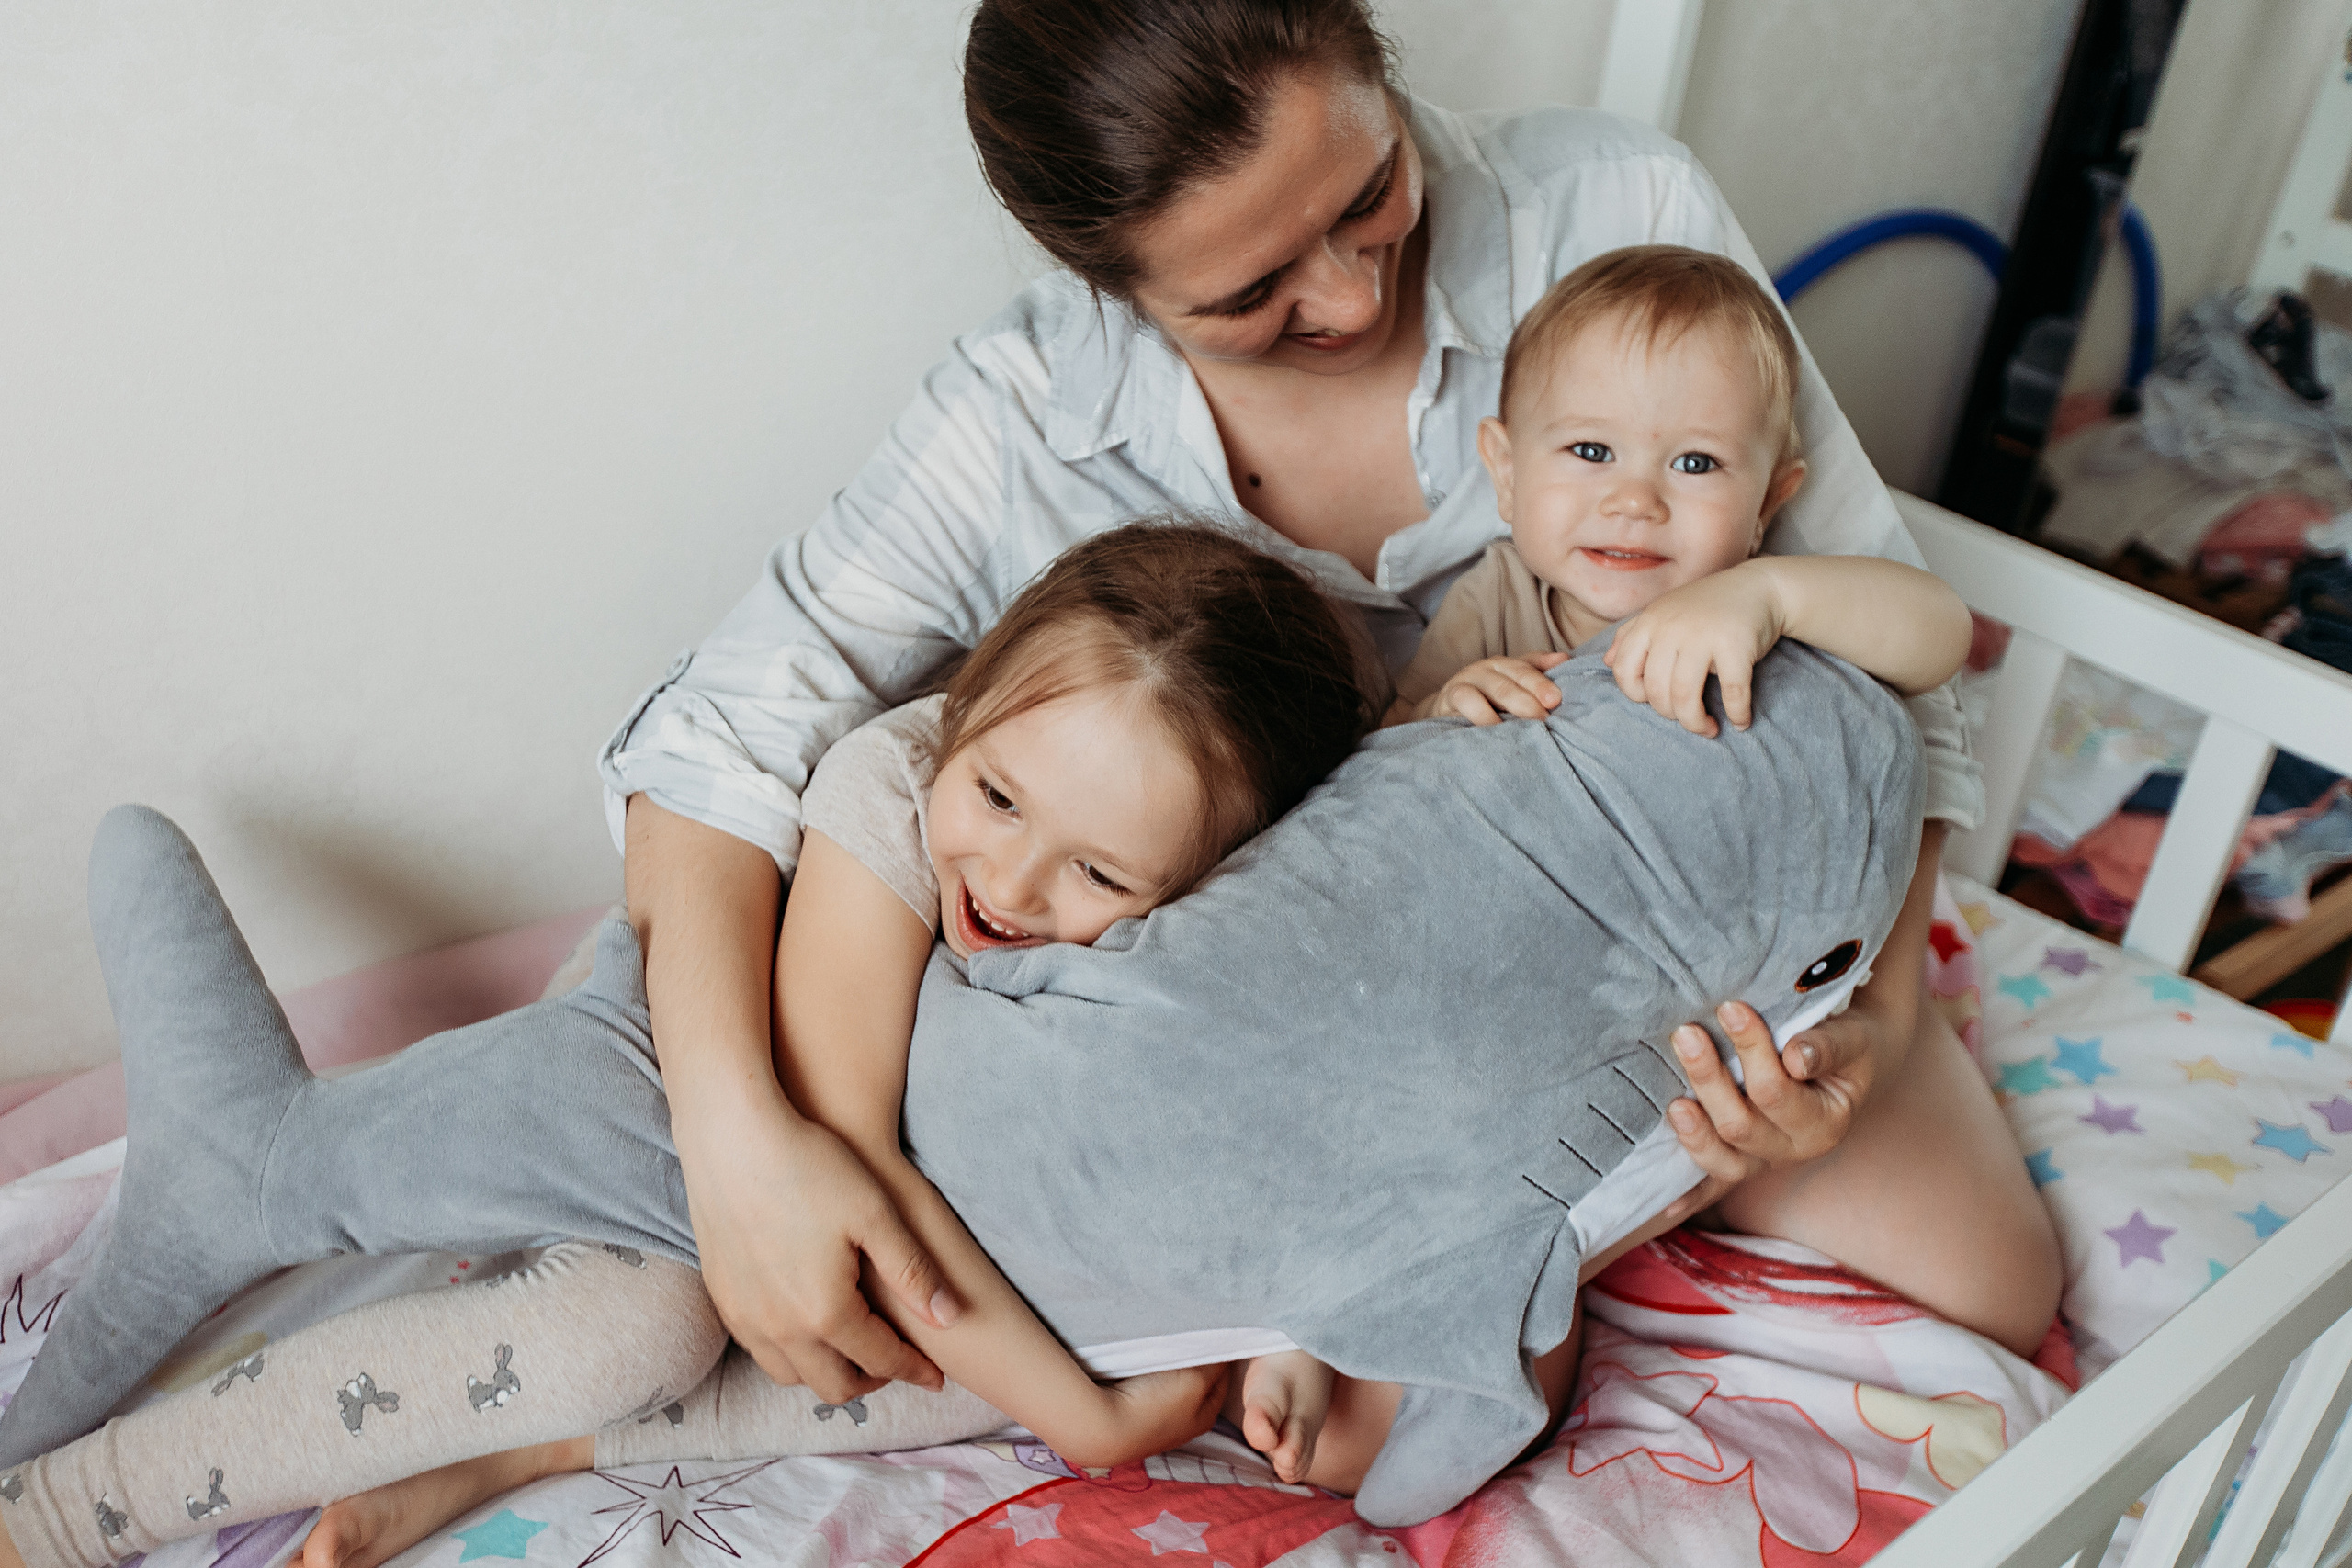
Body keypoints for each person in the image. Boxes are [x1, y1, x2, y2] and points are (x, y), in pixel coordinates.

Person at [600, 0, 1985, 1423]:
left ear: (1380, 70)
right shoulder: (1019, 417)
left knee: (1994, 1278)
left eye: (1372, 195)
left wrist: (1869, 1021)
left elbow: (1873, 641)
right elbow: (716, 741)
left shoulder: (1612, 210)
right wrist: (738, 1143)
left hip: (1671, 940)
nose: (1347, 298)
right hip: (1312, 1038)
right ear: (1113, 286)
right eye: (1250, 293)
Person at [0, 524, 1384, 1568]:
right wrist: (1076, 1413)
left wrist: (1269, 1324)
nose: (1013, 886)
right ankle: (56, 1507)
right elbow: (836, 1160)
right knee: (641, 1330)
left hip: (873, 1208)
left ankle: (517, 1455)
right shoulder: (890, 791)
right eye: (1001, 795)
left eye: (1100, 875)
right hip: (684, 1123)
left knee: (965, 1378)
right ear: (962, 720)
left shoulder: (1197, 953)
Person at [1389, 244, 2062, 1352]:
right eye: (1589, 449)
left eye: (1695, 464)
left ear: (1770, 498)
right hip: (1590, 1020)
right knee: (1498, 1253)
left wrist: (1770, 593)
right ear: (1504, 472)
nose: (1633, 498)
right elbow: (1387, 791)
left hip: (1797, 1001)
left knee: (2004, 1287)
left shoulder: (1780, 601)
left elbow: (1936, 636)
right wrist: (1444, 712)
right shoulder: (1499, 602)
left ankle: (1737, 1177)